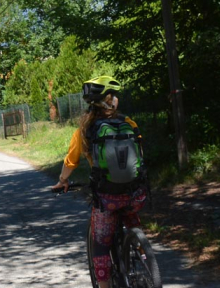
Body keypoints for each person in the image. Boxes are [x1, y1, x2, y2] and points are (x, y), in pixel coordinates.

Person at [53, 75, 149, 288]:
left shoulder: (85, 130)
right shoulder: (128, 123)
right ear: (112, 100)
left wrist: (62, 181)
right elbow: (140, 154)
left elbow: (71, 162)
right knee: (132, 221)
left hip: (107, 200)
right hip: (134, 194)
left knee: (100, 246)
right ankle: (147, 262)